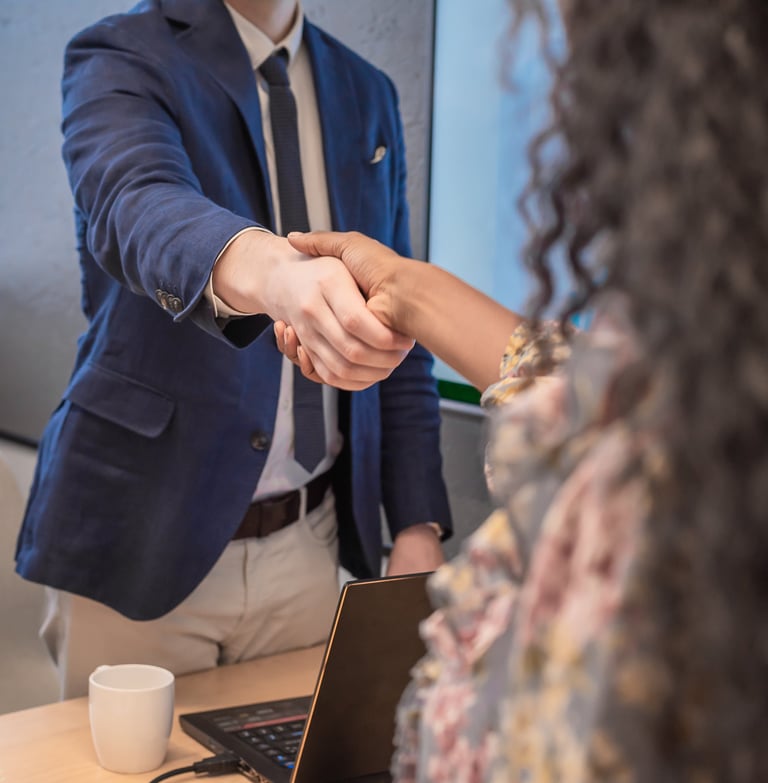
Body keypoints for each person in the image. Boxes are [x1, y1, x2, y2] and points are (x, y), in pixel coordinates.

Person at [277, 0, 768, 779]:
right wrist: (404, 286)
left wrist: (415, 516)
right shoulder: (702, 368)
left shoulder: (641, 495)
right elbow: (586, 384)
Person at [15, 0, 452, 699]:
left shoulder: (366, 90)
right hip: (145, 536)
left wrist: (416, 521)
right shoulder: (120, 54)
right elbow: (138, 203)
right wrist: (274, 273)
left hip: (311, 545)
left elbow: (402, 323)